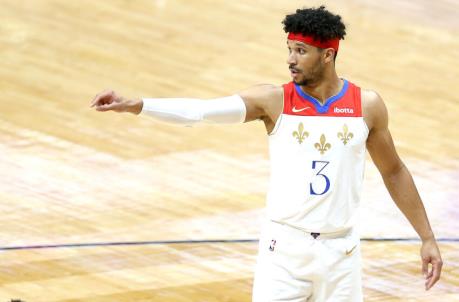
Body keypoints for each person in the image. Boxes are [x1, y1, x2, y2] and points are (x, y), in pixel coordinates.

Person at [90, 6, 442, 302]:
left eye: (301, 51)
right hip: (284, 251)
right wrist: (138, 105)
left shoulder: (366, 106)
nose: (290, 59)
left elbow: (393, 171)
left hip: (342, 255)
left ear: (328, 55)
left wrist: (426, 237)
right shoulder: (274, 101)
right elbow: (201, 111)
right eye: (289, 48)